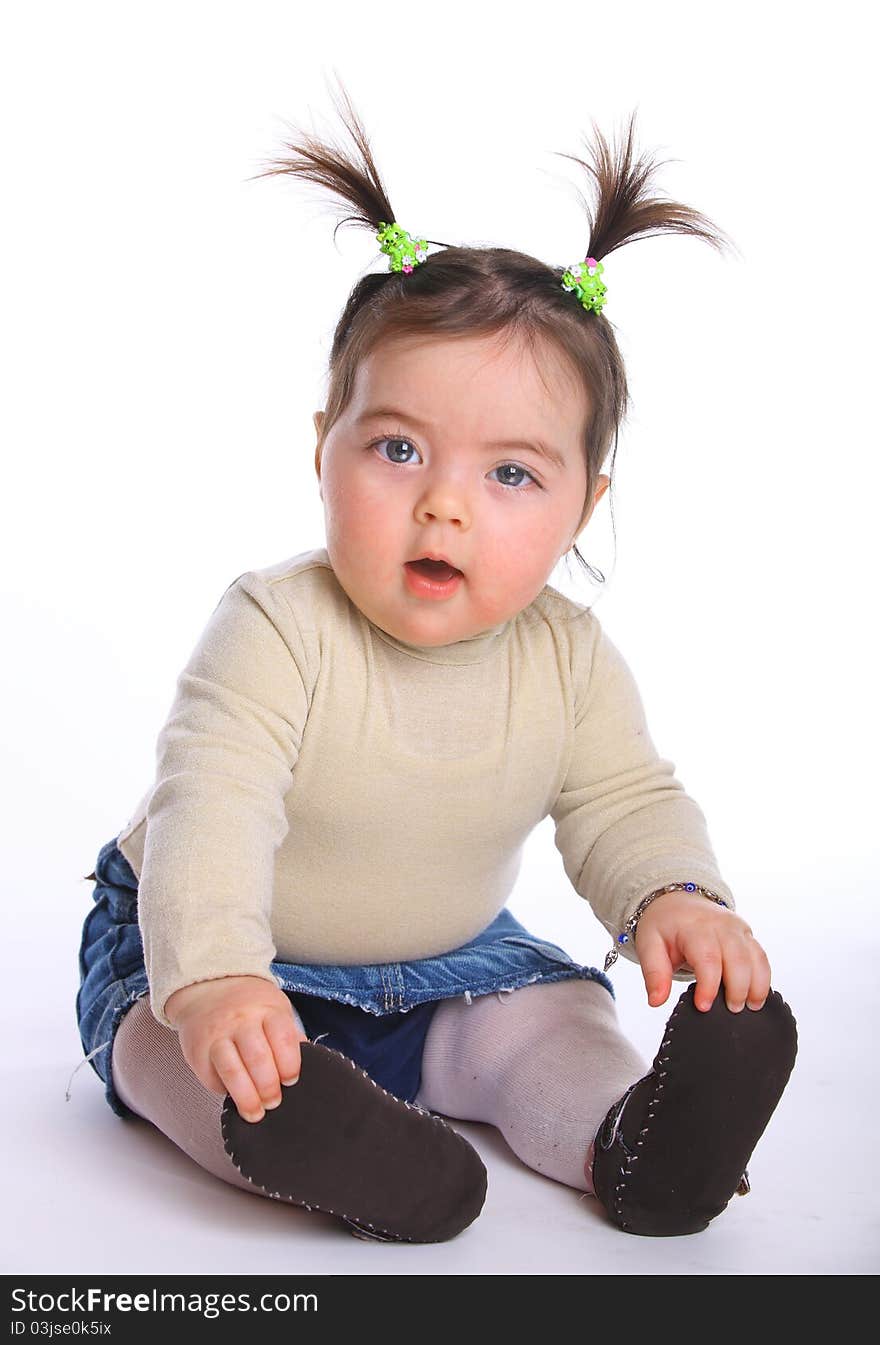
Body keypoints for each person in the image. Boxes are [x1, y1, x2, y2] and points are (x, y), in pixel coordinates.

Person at [72, 78, 797, 1244]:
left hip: (450, 960)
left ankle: (637, 1144)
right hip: (216, 945)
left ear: (581, 504)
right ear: (325, 449)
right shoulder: (274, 625)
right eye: (399, 448)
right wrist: (214, 974)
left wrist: (673, 892)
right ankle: (321, 1143)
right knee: (188, 1057)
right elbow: (214, 802)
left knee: (542, 1023)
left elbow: (623, 799)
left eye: (510, 473)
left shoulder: (566, 657)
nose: (443, 508)